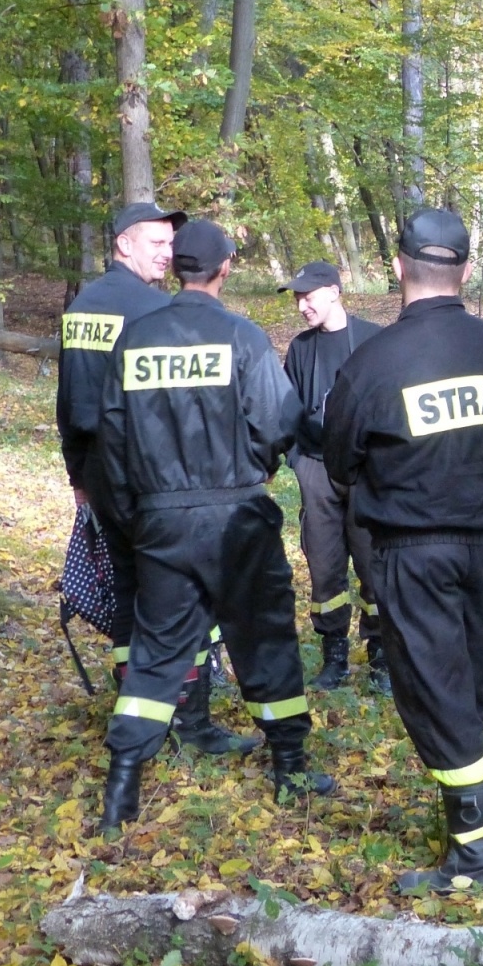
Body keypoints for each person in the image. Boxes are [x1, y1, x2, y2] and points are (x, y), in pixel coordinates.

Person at [97, 220, 332, 830]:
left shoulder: (135, 340)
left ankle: (122, 787)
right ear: (225, 268)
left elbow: (112, 441)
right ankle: (290, 767)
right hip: (235, 515)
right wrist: (253, 465)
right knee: (265, 635)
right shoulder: (242, 337)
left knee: (156, 650)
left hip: (160, 520)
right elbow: (281, 422)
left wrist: (139, 512)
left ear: (176, 265)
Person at [325, 207, 483, 892]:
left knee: (436, 696)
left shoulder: (374, 360)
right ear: (465, 270)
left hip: (413, 550)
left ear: (398, 266)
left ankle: (476, 861)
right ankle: (477, 828)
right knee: (468, 687)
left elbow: (340, 463)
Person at [57, 201, 250, 754]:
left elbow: (69, 400)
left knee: (126, 592)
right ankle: (191, 721)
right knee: (180, 592)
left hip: (100, 468)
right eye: (157, 244)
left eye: (171, 245)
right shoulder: (153, 311)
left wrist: (79, 474)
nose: (169, 255)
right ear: (124, 244)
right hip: (152, 469)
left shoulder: (83, 306)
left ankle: (136, 716)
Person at [279, 260, 385, 694]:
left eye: (309, 296)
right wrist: (297, 460)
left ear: (334, 292)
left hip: (365, 472)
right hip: (317, 468)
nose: (303, 305)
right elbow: (286, 410)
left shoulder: (374, 340)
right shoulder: (301, 349)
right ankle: (334, 656)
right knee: (324, 569)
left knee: (375, 566)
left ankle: (381, 658)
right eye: (298, 298)